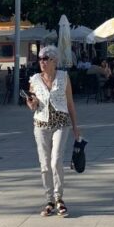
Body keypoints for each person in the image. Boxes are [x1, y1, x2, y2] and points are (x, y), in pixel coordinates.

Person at [26, 46, 80, 217]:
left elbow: (70, 103)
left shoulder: (64, 77)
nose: (42, 61)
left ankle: (59, 198)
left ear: (54, 61)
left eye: (45, 58)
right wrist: (31, 102)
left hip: (61, 124)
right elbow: (33, 106)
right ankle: (49, 200)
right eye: (40, 58)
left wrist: (75, 127)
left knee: (56, 160)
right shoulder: (34, 79)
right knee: (44, 163)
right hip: (41, 125)